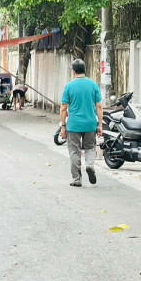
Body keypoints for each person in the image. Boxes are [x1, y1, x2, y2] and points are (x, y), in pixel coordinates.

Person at [60, 59, 102, 187]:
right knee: (90, 147)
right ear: (85, 70)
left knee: (74, 151)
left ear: (73, 72)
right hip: (90, 123)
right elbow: (99, 106)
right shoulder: (93, 85)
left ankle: (77, 179)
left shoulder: (69, 86)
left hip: (74, 125)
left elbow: (63, 107)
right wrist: (100, 125)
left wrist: (63, 126)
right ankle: (89, 165)